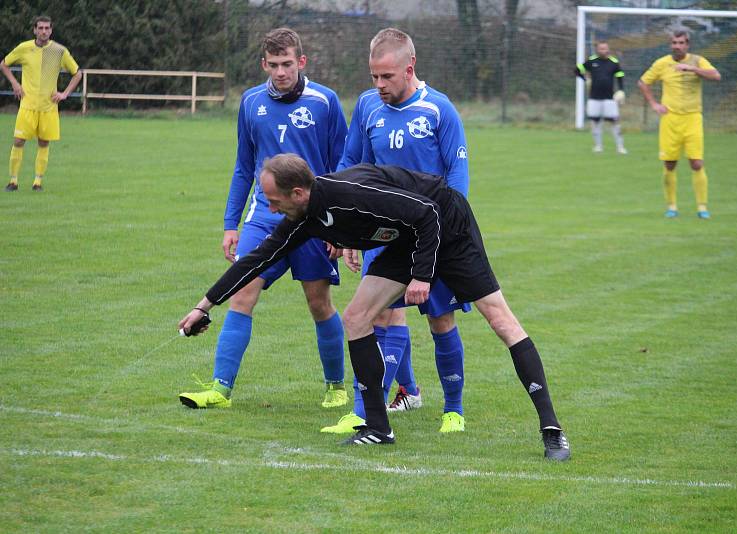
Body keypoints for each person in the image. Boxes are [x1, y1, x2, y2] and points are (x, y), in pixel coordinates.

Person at [179, 154, 571, 461]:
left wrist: (422, 275)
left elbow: (427, 212)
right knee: (356, 318)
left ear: (299, 193)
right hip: (409, 237)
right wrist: (204, 305)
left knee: (499, 319)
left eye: (274, 200)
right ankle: (379, 428)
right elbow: (256, 260)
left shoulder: (349, 194)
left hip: (446, 226)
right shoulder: (306, 218)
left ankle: (552, 429)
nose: (271, 208)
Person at [178, 28, 349, 410]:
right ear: (263, 65)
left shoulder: (325, 101)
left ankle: (336, 386)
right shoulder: (250, 102)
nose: (280, 72)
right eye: (273, 65)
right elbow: (243, 167)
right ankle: (220, 390)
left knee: (318, 303)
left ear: (301, 62)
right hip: (263, 217)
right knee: (242, 293)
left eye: (287, 64)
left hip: (313, 220)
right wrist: (230, 224)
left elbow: (343, 167)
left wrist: (338, 226)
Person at [324, 28, 471, 435]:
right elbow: (352, 167)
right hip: (385, 233)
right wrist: (348, 231)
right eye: (374, 76)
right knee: (372, 315)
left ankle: (453, 410)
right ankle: (364, 410)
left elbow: (457, 180)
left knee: (439, 320)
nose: (379, 85)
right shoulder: (369, 107)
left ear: (410, 68)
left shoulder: (439, 110)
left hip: (433, 234)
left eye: (387, 76)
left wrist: (447, 233)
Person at [638, 30, 721, 219]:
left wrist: (693, 69)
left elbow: (716, 76)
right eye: (674, 42)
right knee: (669, 164)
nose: (677, 46)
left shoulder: (698, 60)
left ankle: (702, 207)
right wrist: (654, 104)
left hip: (693, 118)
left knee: (697, 162)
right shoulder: (662, 63)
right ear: (670, 45)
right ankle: (672, 206)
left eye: (681, 42)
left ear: (687, 45)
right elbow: (643, 83)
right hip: (671, 119)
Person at [1, 15, 81, 192]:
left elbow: (77, 73)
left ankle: (37, 182)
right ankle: (13, 181)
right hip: (27, 105)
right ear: (35, 30)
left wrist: (64, 94)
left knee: (44, 143)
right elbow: (4, 64)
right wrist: (15, 84)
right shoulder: (24, 48)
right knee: (18, 140)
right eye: (41, 28)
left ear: (51, 30)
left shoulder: (59, 51)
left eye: (47, 28)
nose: (44, 31)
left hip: (48, 106)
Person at [575, 41, 627, 154]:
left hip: (609, 98)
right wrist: (585, 79)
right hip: (594, 98)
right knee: (595, 122)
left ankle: (620, 147)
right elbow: (578, 69)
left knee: (614, 121)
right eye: (600, 49)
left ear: (608, 49)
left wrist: (621, 90)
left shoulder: (614, 62)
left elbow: (620, 75)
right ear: (597, 50)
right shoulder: (592, 61)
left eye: (605, 48)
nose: (603, 51)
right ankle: (598, 146)